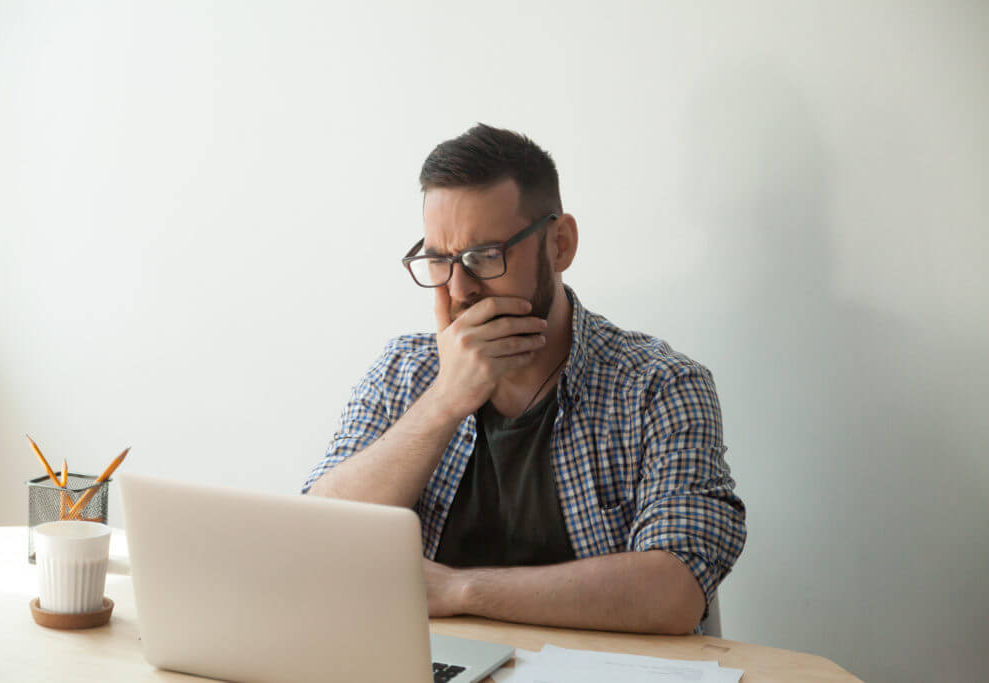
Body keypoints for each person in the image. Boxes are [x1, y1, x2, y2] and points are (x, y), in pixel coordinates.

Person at [302, 123, 746, 635]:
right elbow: (318, 541)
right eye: (439, 260)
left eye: (484, 256)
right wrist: (445, 400)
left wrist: (460, 590)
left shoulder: (659, 387)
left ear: (560, 245)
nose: (459, 288)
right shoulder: (404, 373)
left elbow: (675, 593)